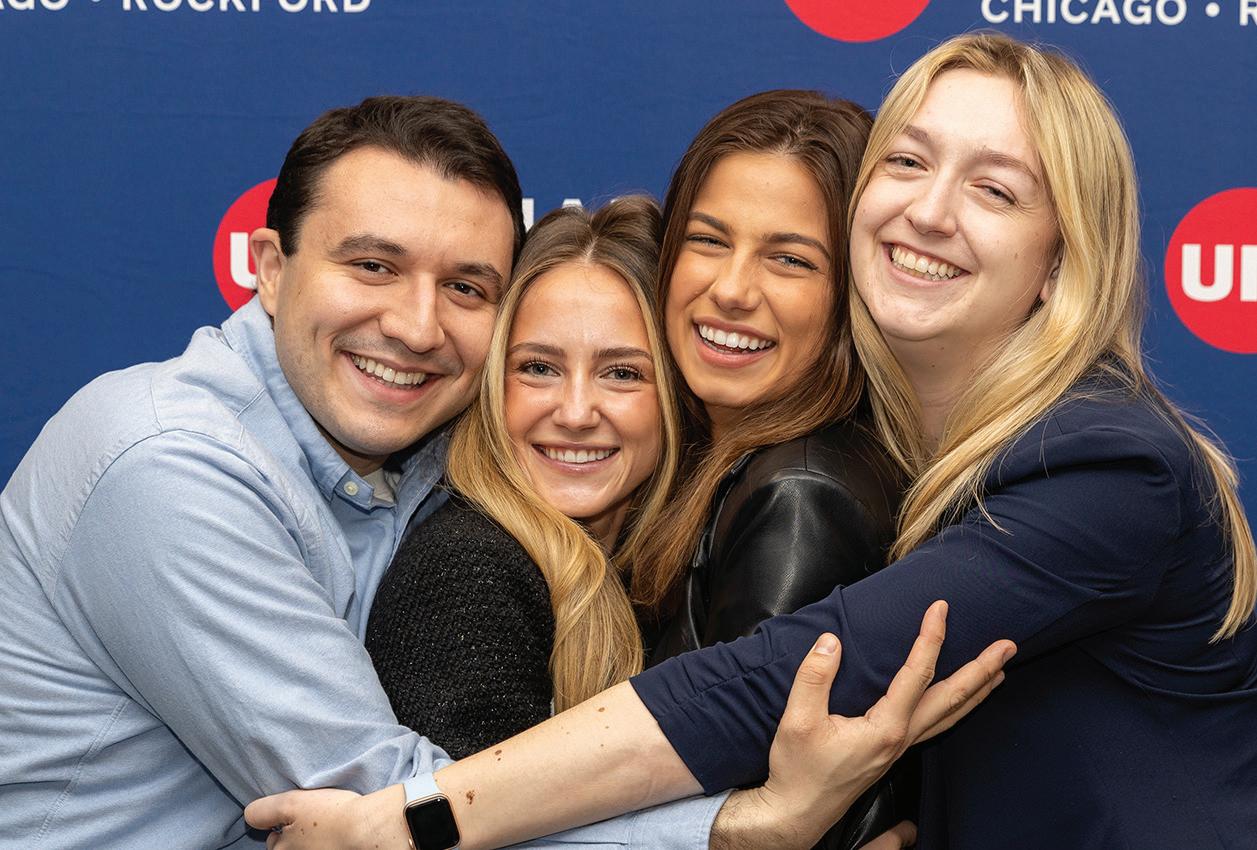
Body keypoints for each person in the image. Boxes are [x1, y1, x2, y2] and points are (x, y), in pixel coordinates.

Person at [246, 32, 1256, 850]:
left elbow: (775, 676)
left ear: (1061, 262)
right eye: (908, 161)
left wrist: (413, 818)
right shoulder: (910, 462)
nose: (929, 209)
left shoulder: (1107, 464)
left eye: (994, 189)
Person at [0, 93, 1007, 850]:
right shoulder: (167, 467)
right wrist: (742, 828)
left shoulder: (426, 462)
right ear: (267, 267)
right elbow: (385, 810)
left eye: (465, 287)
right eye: (372, 265)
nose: (416, 325)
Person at [634, 91, 911, 849]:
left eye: (789, 259)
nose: (730, 289)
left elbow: (727, 809)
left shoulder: (799, 497)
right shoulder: (712, 466)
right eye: (708, 240)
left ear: (854, 289)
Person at [365, 196, 682, 757]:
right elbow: (461, 808)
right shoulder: (469, 570)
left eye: (622, 373)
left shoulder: (663, 565)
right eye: (539, 368)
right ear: (494, 383)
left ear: (676, 394)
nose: (576, 413)